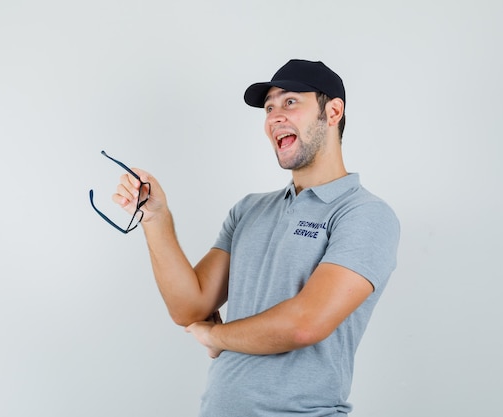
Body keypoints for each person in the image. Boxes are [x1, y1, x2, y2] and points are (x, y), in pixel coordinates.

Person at [111, 59, 400, 416]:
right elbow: (189, 307)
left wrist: (215, 336)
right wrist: (156, 217)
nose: (275, 116)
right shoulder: (249, 211)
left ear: (333, 111)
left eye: (290, 102)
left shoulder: (364, 214)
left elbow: (305, 323)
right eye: (269, 107)